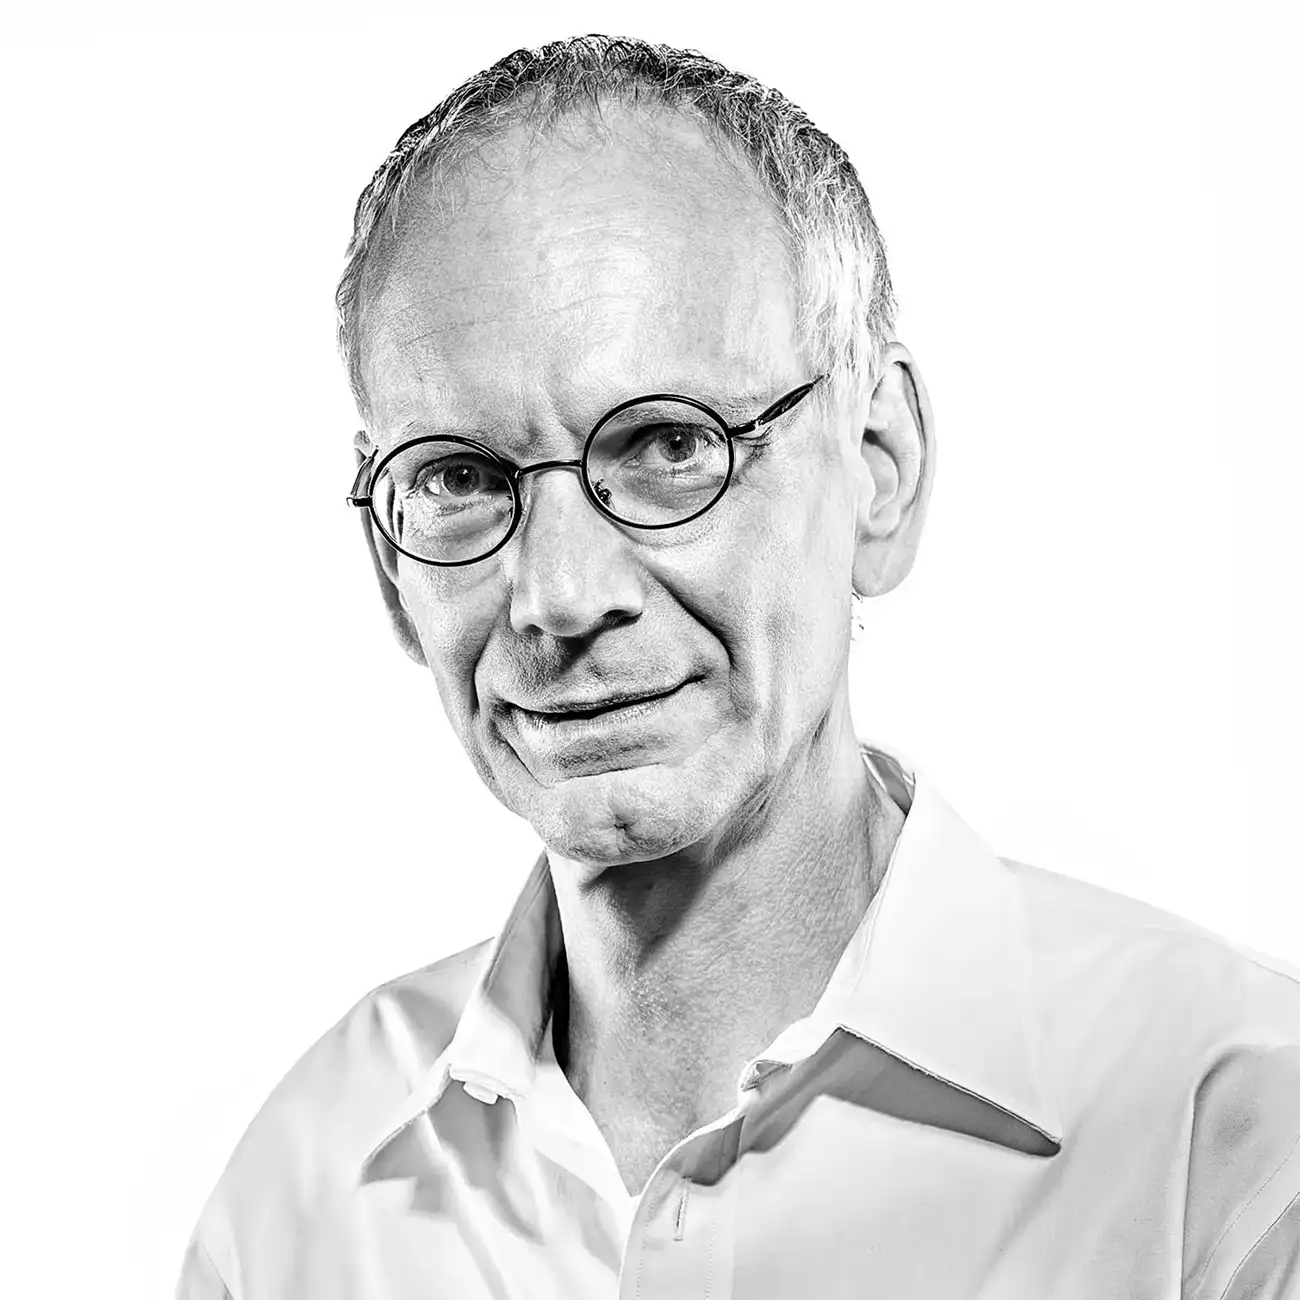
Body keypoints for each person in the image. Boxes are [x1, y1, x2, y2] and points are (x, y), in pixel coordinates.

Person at [176, 33, 1300, 1300]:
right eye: (459, 479)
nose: (559, 595)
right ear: (391, 567)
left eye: (666, 445)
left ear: (877, 467)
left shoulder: (1234, 1133)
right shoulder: (304, 1195)